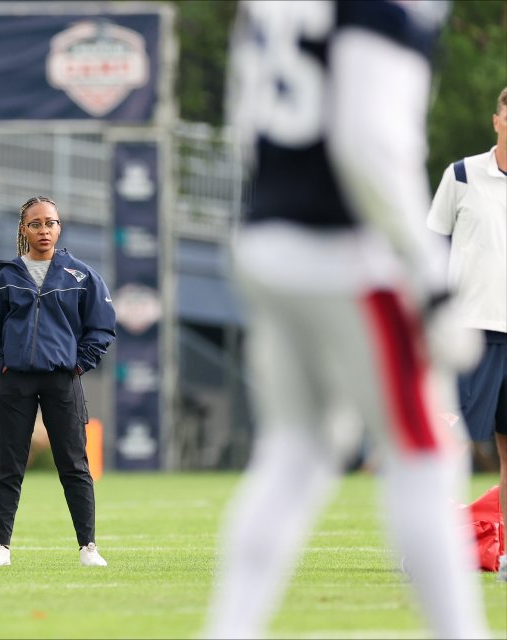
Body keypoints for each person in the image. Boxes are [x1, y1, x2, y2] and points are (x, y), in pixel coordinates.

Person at [202, 1, 490, 638]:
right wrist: (430, 278)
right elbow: (370, 138)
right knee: (426, 450)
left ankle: (228, 629)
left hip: (268, 237)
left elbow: (245, 120)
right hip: (346, 251)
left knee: (296, 450)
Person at [0, 196, 116, 567]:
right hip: (14, 382)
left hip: (62, 382)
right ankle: (0, 548)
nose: (43, 230)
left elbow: (101, 326)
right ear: (24, 230)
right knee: (8, 465)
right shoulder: (6, 279)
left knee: (74, 465)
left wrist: (79, 364)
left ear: (59, 227)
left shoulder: (81, 277)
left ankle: (89, 548)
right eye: (35, 224)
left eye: (50, 223)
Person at [427, 86, 507, 582]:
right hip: (468, 332)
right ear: (497, 118)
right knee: (446, 445)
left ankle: (504, 556)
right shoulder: (460, 175)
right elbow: (432, 253)